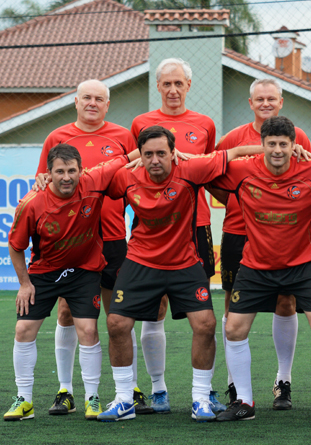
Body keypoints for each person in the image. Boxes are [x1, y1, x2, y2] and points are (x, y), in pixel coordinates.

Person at [209, 116, 311, 424]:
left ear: (294, 146)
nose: (277, 150)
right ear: (262, 144)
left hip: (303, 266)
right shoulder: (243, 170)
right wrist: (245, 152)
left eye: (284, 144)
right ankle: (243, 401)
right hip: (255, 266)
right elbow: (203, 169)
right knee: (233, 329)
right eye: (271, 144)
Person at [96, 126, 244, 422]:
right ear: (141, 155)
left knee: (205, 324)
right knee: (116, 323)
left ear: (173, 154)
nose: (154, 160)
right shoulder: (126, 176)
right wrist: (124, 160)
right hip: (140, 261)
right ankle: (125, 399)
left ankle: (200, 398)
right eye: (147, 154)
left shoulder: (192, 168)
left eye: (161, 153)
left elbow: (237, 152)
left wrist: (284, 149)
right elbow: (91, 182)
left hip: (184, 262)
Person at [35, 80, 151, 415]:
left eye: (99, 98)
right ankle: (65, 391)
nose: (92, 103)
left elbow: (136, 176)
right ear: (75, 101)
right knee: (67, 311)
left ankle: (127, 389)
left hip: (112, 237)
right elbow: (43, 184)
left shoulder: (123, 137)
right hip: (70, 242)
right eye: (86, 97)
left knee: (119, 315)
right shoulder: (56, 138)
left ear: (107, 104)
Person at [4, 143, 136, 421]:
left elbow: (128, 156)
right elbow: (15, 246)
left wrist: (169, 153)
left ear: (81, 170)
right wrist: (25, 284)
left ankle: (92, 398)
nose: (67, 177)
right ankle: (24, 400)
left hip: (84, 271)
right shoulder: (31, 203)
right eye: (60, 171)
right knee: (23, 329)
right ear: (48, 174)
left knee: (88, 330)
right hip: (44, 273)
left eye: (72, 171)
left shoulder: (94, 180)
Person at [214, 78, 311, 410]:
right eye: (260, 99)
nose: (266, 103)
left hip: (287, 235)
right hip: (240, 232)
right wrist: (240, 200)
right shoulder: (233, 138)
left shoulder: (297, 137)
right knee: (234, 306)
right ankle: (234, 386)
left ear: (281, 101)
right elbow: (214, 177)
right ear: (250, 102)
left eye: (272, 98)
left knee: (285, 303)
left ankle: (283, 381)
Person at [130, 58, 220, 413]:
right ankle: (159, 389)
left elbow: (210, 169)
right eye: (166, 84)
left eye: (178, 84)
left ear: (188, 85)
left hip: (195, 227)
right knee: (155, 310)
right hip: (153, 228)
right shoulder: (141, 124)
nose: (172, 90)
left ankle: (205, 391)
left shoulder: (204, 125)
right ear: (158, 87)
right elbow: (130, 170)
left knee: (202, 313)